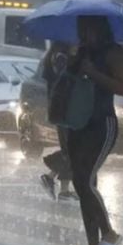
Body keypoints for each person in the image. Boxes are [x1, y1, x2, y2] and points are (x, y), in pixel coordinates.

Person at [66, 16, 123, 245]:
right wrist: (71, 61)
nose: (84, 32)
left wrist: (93, 73)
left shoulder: (113, 53)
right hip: (78, 123)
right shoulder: (81, 51)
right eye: (81, 28)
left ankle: (109, 233)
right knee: (83, 184)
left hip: (102, 123)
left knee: (84, 179)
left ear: (99, 28)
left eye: (88, 28)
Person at [40, 41, 78, 201]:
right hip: (66, 110)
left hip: (61, 110)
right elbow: (66, 82)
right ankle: (50, 177)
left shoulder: (54, 56)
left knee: (69, 150)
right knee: (72, 151)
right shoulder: (62, 58)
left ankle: (63, 189)